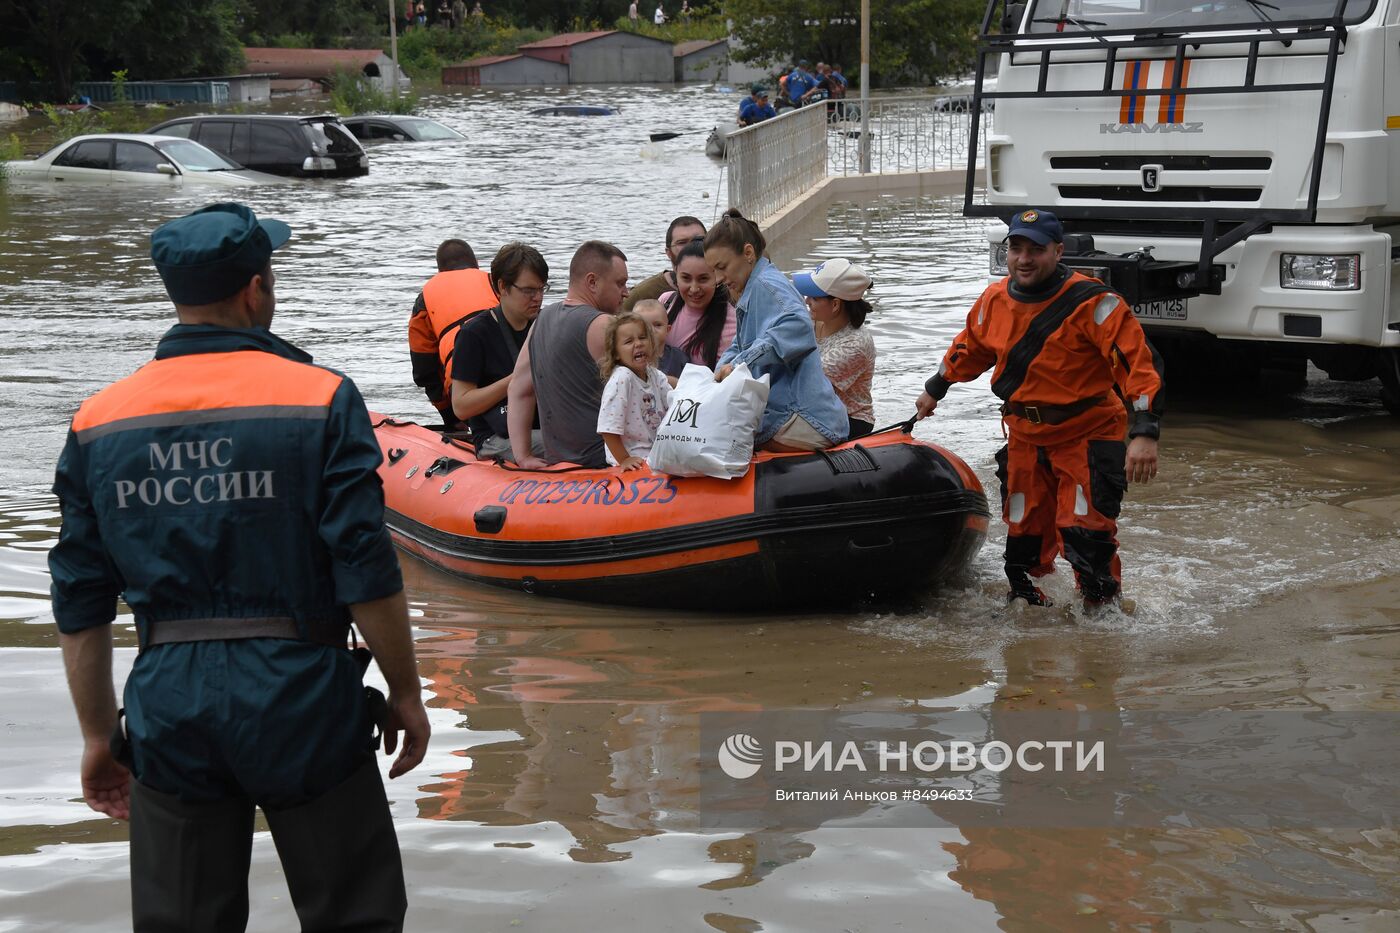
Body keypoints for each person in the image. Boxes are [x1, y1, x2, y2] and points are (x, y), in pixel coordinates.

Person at [48, 202, 431, 931]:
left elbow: (80, 597)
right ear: (256, 287)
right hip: (304, 696)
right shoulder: (320, 397)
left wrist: (100, 736)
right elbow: (364, 565)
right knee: (356, 913)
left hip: (170, 705)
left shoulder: (99, 420)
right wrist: (407, 690)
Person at [913, 209, 1164, 611]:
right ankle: (1032, 618)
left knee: (1086, 532)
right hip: (1025, 435)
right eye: (1016, 248)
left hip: (1087, 433)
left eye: (1036, 250)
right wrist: (935, 390)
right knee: (1024, 533)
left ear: (1058, 251)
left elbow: (1138, 365)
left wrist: (1144, 433)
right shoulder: (994, 300)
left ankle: (1103, 623)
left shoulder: (1097, 303)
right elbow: (970, 347)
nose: (1024, 259)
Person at [704, 208, 849, 452]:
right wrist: (719, 372)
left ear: (748, 253)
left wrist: (741, 364)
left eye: (722, 267)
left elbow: (799, 325)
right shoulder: (753, 288)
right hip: (798, 416)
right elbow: (740, 346)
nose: (718, 278)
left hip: (804, 419)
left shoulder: (765, 285)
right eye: (714, 271)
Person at [507, 241, 630, 469]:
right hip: (604, 464)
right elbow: (649, 387)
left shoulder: (539, 322)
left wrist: (522, 456)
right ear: (592, 282)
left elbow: (518, 390)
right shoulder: (606, 325)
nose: (626, 292)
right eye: (620, 283)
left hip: (560, 465)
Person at [451, 242, 549, 461]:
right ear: (502, 287)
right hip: (494, 438)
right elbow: (461, 406)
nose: (538, 298)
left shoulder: (545, 324)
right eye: (528, 290)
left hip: (541, 427)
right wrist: (517, 380)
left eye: (542, 289)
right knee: (565, 444)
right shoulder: (474, 334)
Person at [408, 238, 498, 428]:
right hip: (515, 382)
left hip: (465, 395)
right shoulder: (496, 282)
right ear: (476, 265)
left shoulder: (425, 298)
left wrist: (450, 418)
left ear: (439, 271)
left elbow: (424, 366)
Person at [794, 258, 877, 439]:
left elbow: (805, 383)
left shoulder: (855, 345)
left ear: (835, 305)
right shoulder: (814, 321)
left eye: (814, 298)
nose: (806, 301)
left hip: (849, 419)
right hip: (819, 409)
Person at [597, 312, 673, 470]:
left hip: (656, 453)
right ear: (616, 353)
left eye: (643, 338)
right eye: (629, 341)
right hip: (634, 459)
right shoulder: (622, 379)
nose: (638, 344)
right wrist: (624, 459)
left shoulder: (654, 375)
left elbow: (675, 403)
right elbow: (607, 429)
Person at [658, 239, 736, 369]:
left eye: (703, 279)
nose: (694, 288)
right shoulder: (665, 302)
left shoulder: (732, 324)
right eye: (686, 278)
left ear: (717, 277)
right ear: (676, 274)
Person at [623, 215, 705, 312]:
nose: (691, 247)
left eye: (699, 240)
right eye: (682, 242)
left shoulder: (724, 286)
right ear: (668, 252)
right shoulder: (642, 295)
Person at [633, 298, 688, 380]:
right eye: (644, 325)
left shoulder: (679, 357)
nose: (651, 330)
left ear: (667, 329)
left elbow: (691, 384)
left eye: (657, 325)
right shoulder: (632, 357)